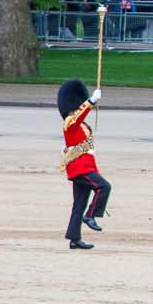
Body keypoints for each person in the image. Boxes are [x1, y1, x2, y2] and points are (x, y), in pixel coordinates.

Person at [57, 78, 108, 249]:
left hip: (85, 167)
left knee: (78, 204)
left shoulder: (82, 126)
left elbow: (88, 152)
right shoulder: (69, 123)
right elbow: (78, 115)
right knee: (104, 187)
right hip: (79, 168)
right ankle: (91, 215)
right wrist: (91, 101)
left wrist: (96, 171)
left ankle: (74, 238)